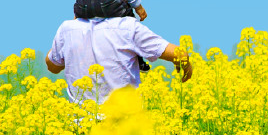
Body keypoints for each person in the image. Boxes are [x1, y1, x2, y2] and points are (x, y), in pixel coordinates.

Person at [45, 15, 192, 104]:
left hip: (81, 127)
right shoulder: (127, 27)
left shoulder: (68, 29)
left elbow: (53, 66)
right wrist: (185, 67)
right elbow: (180, 54)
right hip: (123, 128)